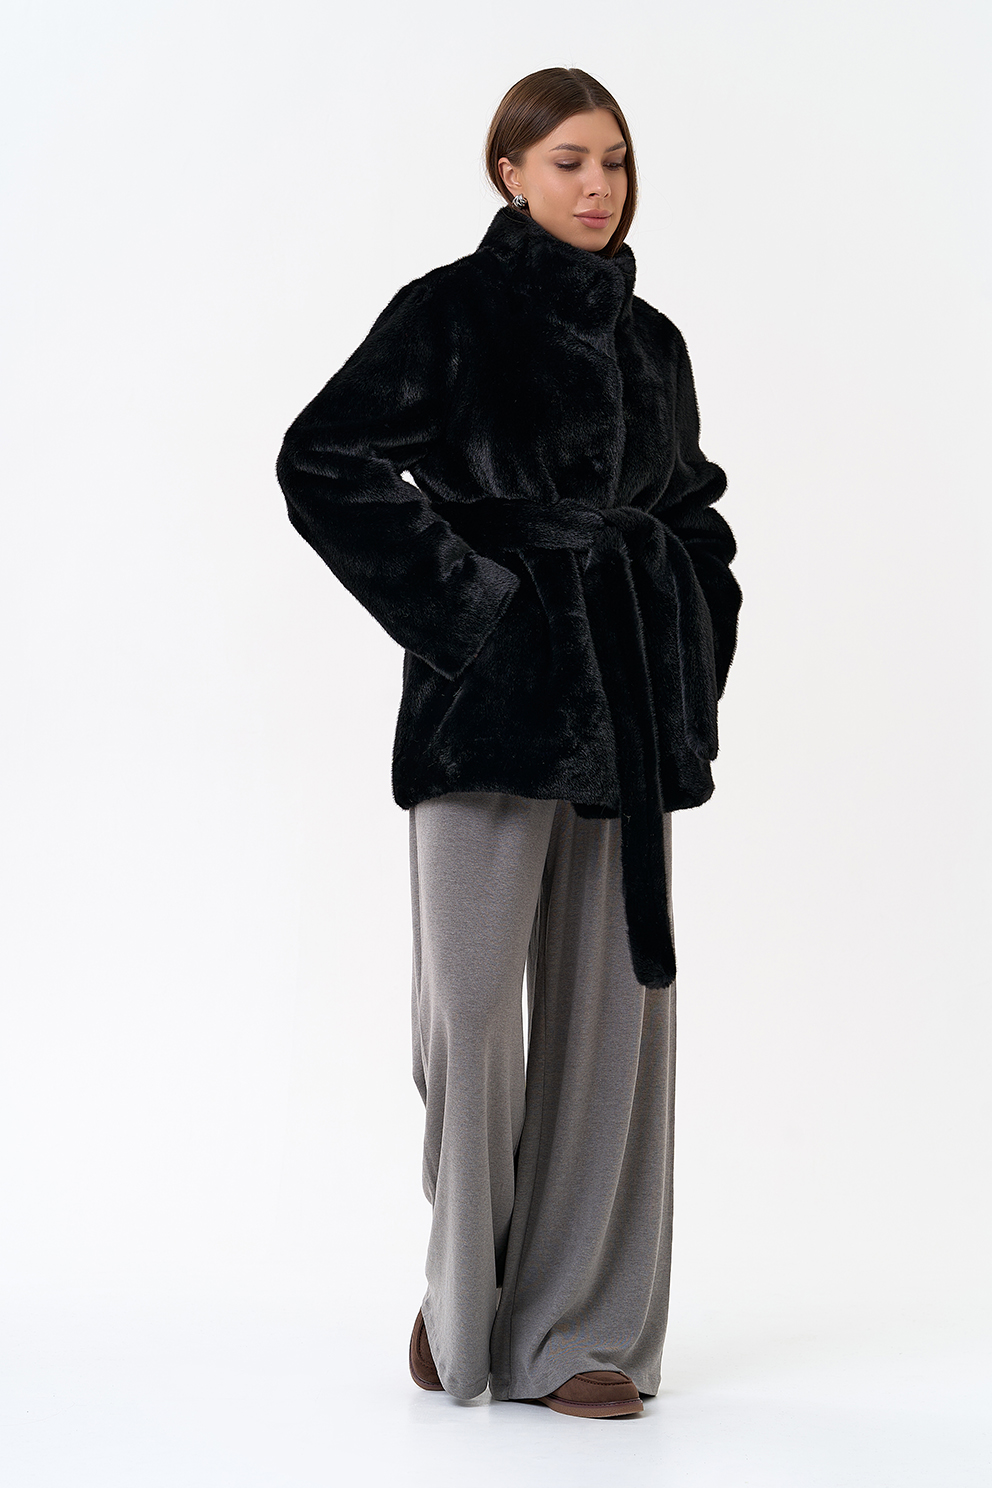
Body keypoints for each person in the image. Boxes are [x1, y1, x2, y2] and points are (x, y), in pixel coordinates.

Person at [275, 67, 742, 1420]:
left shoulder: (655, 344)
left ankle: (581, 1335)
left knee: (614, 1028)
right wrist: (477, 614)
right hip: (485, 710)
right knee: (472, 1013)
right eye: (567, 162)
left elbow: (694, 510)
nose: (597, 186)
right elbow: (323, 460)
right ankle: (462, 1306)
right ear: (510, 175)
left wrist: (686, 635)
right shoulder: (449, 314)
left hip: (626, 716)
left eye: (614, 162)